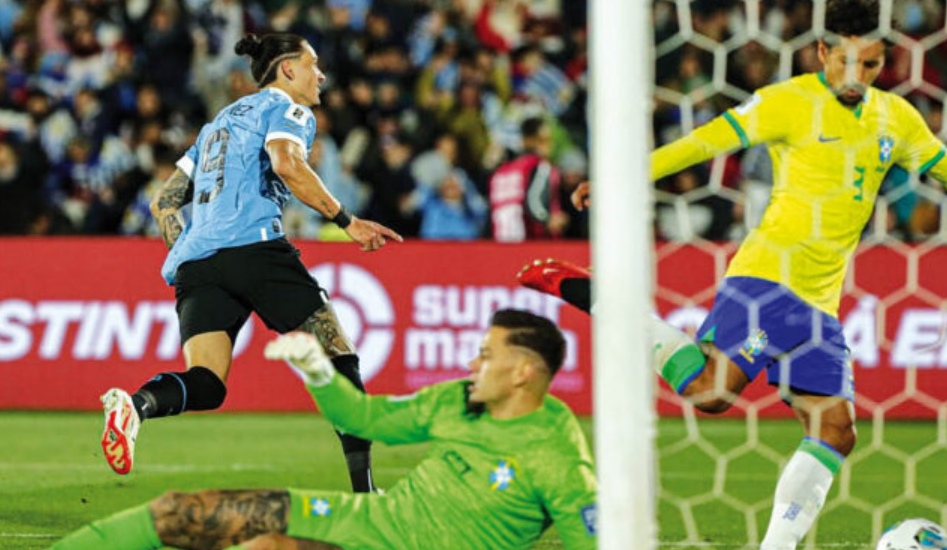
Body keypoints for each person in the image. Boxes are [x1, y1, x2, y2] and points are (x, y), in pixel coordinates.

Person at [519, 1, 947, 549]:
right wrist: (620, 177)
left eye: (871, 65)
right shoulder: (787, 101)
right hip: (769, 276)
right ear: (822, 52)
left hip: (821, 302)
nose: (856, 77)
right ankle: (603, 297)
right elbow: (704, 142)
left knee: (835, 433)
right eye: (845, 62)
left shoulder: (897, 117)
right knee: (711, 393)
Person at [99, 33, 402, 495]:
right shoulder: (289, 109)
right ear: (286, 71)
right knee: (340, 356)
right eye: (312, 64)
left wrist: (190, 252)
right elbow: (286, 163)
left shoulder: (216, 124)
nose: (320, 75)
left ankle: (137, 405)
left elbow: (164, 201)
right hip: (255, 246)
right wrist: (348, 221)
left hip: (196, 264)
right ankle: (365, 491)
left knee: (207, 383)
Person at [52, 309, 598, 550]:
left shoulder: (560, 461)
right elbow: (364, 420)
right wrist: (318, 371)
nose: (473, 365)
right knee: (180, 513)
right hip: (369, 523)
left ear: (524, 372)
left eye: (486, 356)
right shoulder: (458, 399)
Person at [489, 116, 567, 242]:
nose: (549, 145)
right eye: (543, 140)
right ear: (528, 140)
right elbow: (533, 201)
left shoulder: (500, 172)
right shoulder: (541, 166)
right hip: (533, 243)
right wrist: (547, 219)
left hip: (501, 244)